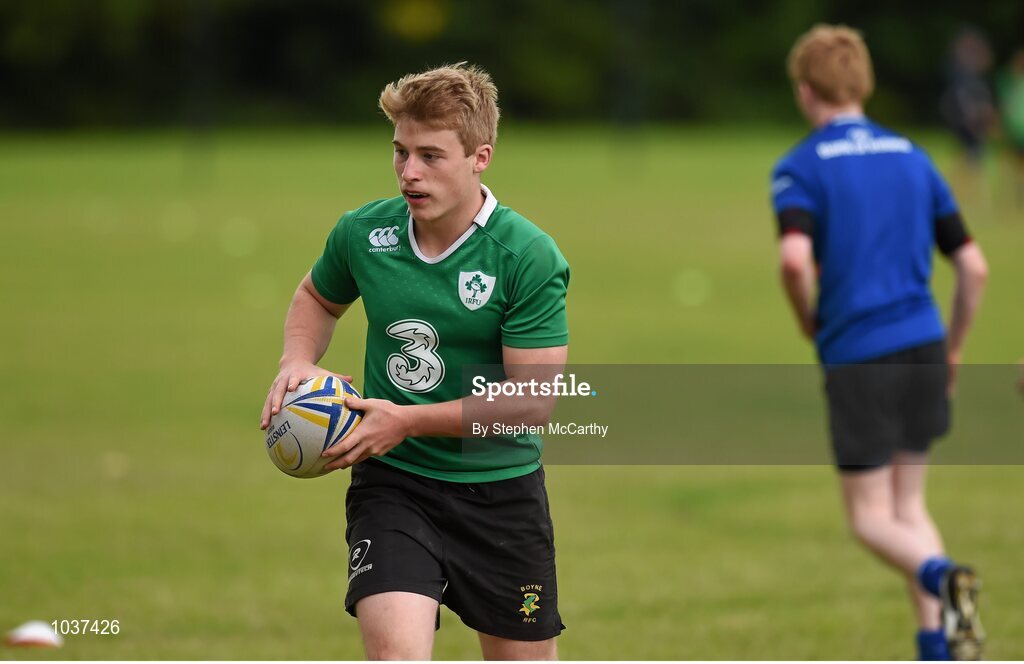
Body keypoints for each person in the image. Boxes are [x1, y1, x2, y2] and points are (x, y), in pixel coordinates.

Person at [260, 63, 570, 660]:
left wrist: (405, 418)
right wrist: (295, 360)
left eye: (431, 155)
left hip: (499, 493)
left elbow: (530, 403)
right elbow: (317, 298)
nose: (409, 172)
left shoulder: (526, 256)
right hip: (394, 484)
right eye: (400, 152)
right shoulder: (363, 233)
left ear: (480, 157)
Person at [770, 25, 990, 660]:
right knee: (909, 505)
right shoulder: (915, 156)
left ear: (806, 92)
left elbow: (792, 261)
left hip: (859, 351)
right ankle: (940, 648)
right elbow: (973, 267)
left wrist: (807, 319)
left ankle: (944, 579)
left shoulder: (802, 165)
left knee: (870, 518)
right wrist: (953, 349)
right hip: (924, 344)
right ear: (862, 84)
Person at [996, 48, 1024, 206]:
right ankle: (1013, 192)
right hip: (1015, 131)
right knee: (1012, 162)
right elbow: (1005, 107)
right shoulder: (1008, 82)